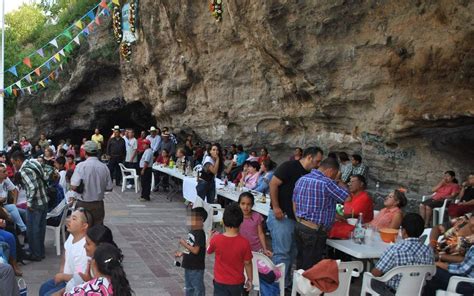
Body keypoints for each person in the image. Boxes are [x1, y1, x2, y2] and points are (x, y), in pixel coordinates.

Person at [267, 146, 323, 288]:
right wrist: (276, 207)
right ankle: (278, 287)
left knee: (291, 254)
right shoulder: (289, 166)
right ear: (309, 157)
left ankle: (285, 284)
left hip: (296, 220)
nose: (318, 165)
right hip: (282, 217)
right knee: (282, 254)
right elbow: (273, 183)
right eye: (317, 161)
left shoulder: (310, 174)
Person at [293, 157, 349, 269]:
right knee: (311, 267)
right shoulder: (327, 183)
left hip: (300, 225)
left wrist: (298, 219)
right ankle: (306, 286)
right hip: (315, 230)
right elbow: (347, 198)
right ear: (331, 171)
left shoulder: (302, 179)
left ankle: (298, 285)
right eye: (335, 174)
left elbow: (294, 201)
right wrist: (339, 181)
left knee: (300, 262)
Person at [370, 213, 434, 296]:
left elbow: (375, 273)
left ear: (403, 231)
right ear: (421, 232)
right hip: (416, 293)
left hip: (392, 292)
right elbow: (429, 275)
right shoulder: (429, 251)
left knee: (372, 280)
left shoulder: (396, 249)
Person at [39, 208, 92, 296]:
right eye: (69, 217)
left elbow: (80, 277)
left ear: (84, 226)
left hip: (76, 285)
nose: (68, 220)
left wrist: (63, 277)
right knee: (43, 288)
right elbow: (65, 252)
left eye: (74, 219)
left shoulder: (83, 249)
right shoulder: (72, 235)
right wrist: (61, 271)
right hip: (65, 279)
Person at [207, 204, 253, 295]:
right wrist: (250, 279)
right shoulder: (244, 243)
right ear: (241, 222)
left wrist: (209, 237)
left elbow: (208, 250)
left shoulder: (216, 239)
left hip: (219, 282)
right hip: (237, 283)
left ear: (223, 222)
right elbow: (247, 263)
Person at [11, 150, 48, 261]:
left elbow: (32, 187)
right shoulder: (33, 162)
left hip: (35, 204)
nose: (14, 166)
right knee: (41, 228)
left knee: (33, 229)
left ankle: (35, 254)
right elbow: (45, 176)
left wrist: (29, 203)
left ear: (18, 160)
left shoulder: (24, 171)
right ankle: (40, 252)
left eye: (14, 163)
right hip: (44, 199)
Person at [65, 243, 133, 296]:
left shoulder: (89, 288)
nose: (84, 246)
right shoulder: (120, 284)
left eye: (88, 243)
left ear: (94, 263)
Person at [71, 141, 113, 225]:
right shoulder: (104, 167)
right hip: (98, 204)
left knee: (81, 230)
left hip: (83, 203)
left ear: (84, 152)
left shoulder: (81, 166)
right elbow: (109, 187)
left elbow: (74, 186)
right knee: (97, 231)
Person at [175, 207, 208, 296]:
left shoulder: (200, 233)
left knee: (197, 288)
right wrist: (182, 253)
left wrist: (183, 243)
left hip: (196, 267)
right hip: (188, 265)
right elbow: (190, 245)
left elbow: (195, 250)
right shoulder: (192, 231)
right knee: (189, 287)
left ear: (200, 220)